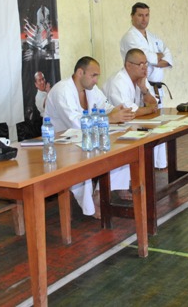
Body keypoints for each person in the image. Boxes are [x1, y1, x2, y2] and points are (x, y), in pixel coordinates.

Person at [44, 56, 136, 218]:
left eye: (97, 76)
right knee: (84, 160)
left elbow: (104, 106)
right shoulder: (62, 91)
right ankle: (89, 207)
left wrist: (117, 110)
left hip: (85, 138)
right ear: (80, 72)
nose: (96, 80)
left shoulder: (91, 89)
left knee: (122, 146)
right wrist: (110, 118)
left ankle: (102, 191)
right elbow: (75, 123)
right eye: (93, 75)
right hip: (61, 143)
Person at [119, 2, 172, 168]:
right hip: (142, 84)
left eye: (147, 15)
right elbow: (145, 57)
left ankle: (159, 163)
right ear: (132, 16)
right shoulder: (129, 37)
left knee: (159, 124)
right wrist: (156, 58)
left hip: (155, 86)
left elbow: (167, 54)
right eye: (140, 15)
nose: (144, 19)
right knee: (146, 125)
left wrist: (158, 59)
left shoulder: (153, 37)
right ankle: (146, 164)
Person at [103, 48, 160, 176]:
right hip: (113, 129)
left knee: (153, 136)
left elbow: (154, 104)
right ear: (128, 65)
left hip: (130, 125)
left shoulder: (141, 79)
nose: (144, 67)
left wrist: (144, 89)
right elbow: (130, 112)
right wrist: (149, 108)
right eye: (140, 64)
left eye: (146, 63)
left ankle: (143, 176)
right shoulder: (118, 81)